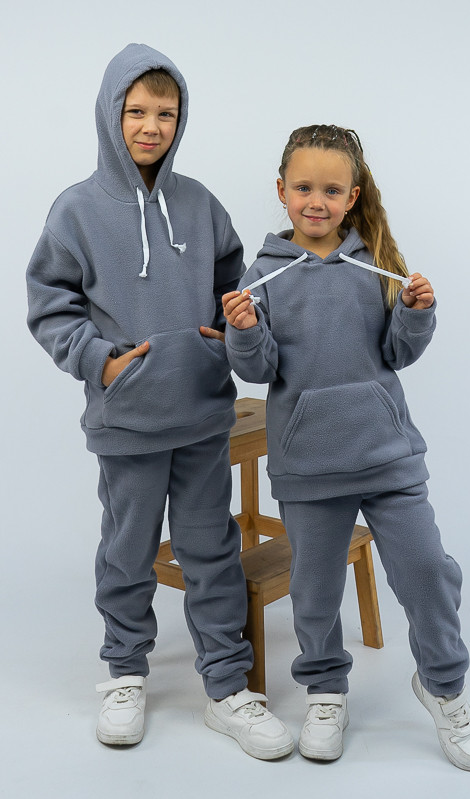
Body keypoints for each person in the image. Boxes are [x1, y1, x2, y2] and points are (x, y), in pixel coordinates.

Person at [26, 43, 293, 760]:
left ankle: (227, 687)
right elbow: (49, 305)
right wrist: (103, 363)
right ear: (110, 113)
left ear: (181, 119)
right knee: (127, 551)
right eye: (137, 111)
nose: (151, 126)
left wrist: (223, 337)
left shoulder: (199, 204)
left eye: (166, 113)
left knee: (212, 550)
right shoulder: (77, 210)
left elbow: (238, 288)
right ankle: (124, 673)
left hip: (202, 414)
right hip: (128, 419)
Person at [222, 124, 470, 770]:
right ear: (281, 191)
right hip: (309, 465)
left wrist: (415, 313)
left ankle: (443, 684)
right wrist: (244, 330)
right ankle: (324, 691)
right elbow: (259, 368)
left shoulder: (375, 263)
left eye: (331, 190)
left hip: (386, 456)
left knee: (426, 569)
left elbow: (396, 352)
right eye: (303, 188)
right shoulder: (263, 275)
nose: (316, 201)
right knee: (313, 589)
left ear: (352, 196)